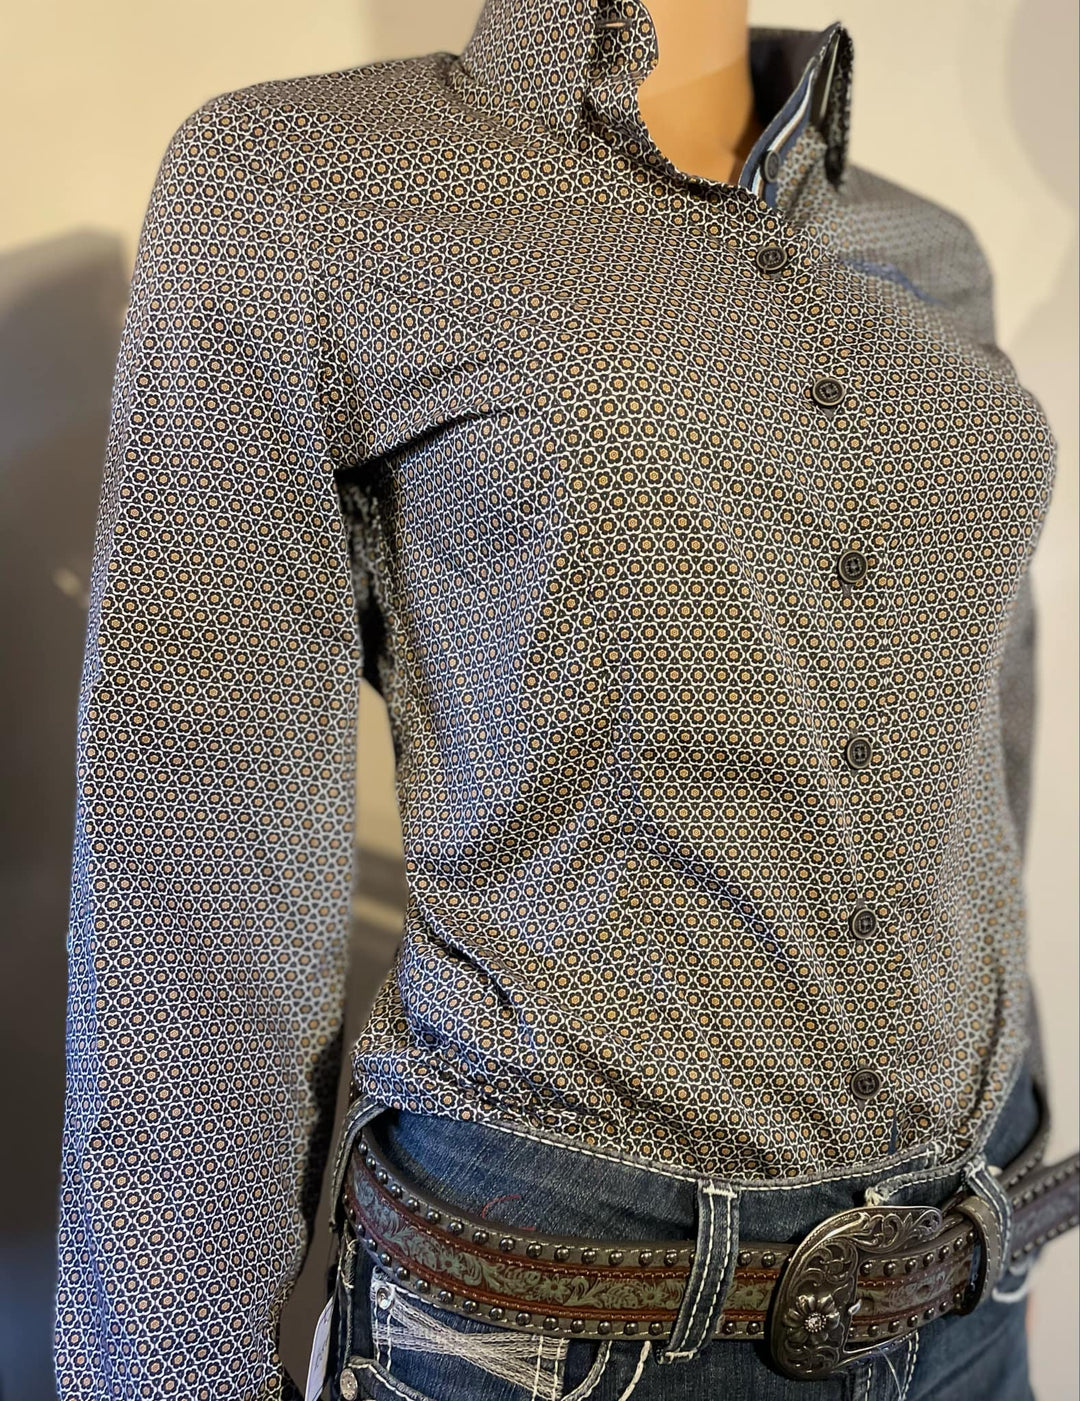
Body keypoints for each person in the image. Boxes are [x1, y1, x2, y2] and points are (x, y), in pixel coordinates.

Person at [54, 2, 1079, 1398]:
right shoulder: (303, 185)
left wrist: (1003, 1208)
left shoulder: (931, 249)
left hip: (970, 1273)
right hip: (567, 1308)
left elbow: (978, 755)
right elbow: (200, 836)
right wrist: (170, 1372)